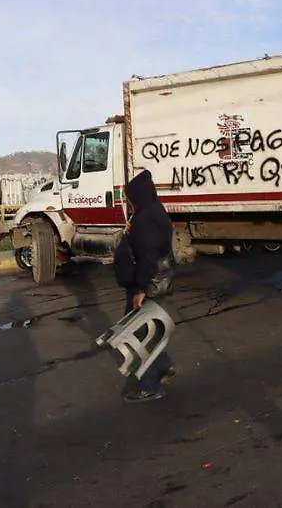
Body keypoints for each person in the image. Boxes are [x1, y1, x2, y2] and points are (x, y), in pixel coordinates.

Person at [114, 169, 177, 403]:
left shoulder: (146, 218)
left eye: (130, 199)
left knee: (140, 335)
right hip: (155, 281)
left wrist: (140, 289)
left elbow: (147, 256)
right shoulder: (153, 211)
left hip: (147, 285)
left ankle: (150, 386)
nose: (128, 203)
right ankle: (164, 365)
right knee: (150, 330)